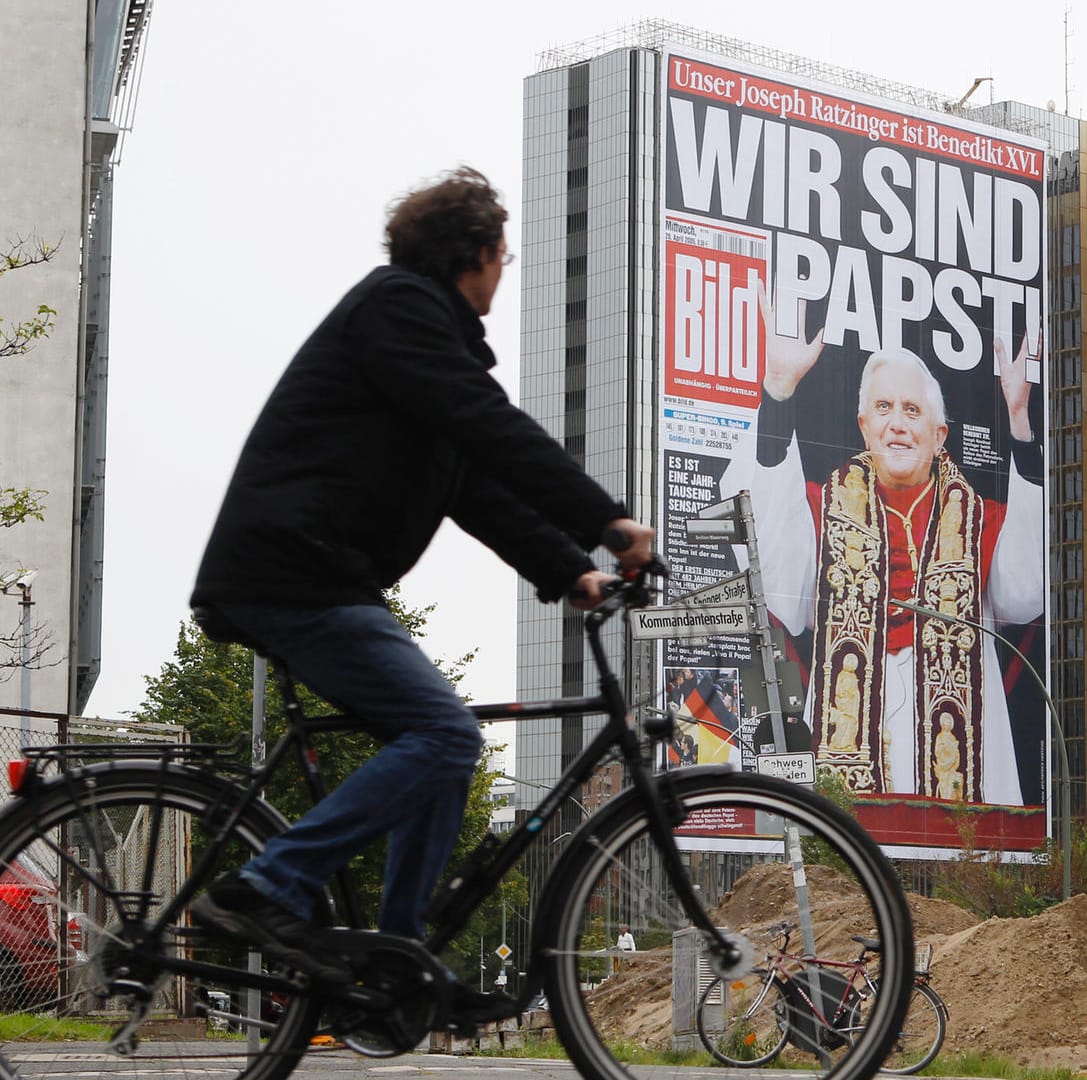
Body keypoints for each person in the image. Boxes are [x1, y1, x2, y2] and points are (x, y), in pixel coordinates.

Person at [187, 167, 654, 1006]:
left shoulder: (419, 338)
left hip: (320, 572)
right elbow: (491, 428)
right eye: (503, 258)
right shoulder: (399, 312)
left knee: (440, 743)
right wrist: (610, 521)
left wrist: (569, 568)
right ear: (474, 255)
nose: (503, 274)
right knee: (443, 735)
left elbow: (474, 484)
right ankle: (266, 885)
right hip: (295, 572)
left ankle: (397, 962)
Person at [730, 286, 1043, 806]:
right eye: (883, 408)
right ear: (864, 426)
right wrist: (779, 391)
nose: (897, 423)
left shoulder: (977, 517)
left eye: (911, 410)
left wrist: (1018, 422)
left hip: (960, 736)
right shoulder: (822, 505)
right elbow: (780, 584)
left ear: (939, 434)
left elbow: (1024, 594)